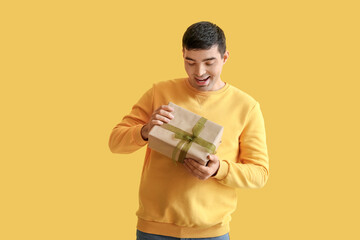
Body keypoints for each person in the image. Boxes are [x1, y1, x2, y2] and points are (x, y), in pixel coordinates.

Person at [108, 21, 270, 240]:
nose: (199, 72)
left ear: (224, 58)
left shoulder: (246, 106)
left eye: (209, 62)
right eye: (190, 62)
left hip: (212, 233)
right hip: (153, 231)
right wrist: (145, 130)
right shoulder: (160, 92)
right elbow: (115, 142)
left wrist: (218, 170)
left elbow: (260, 174)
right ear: (182, 55)